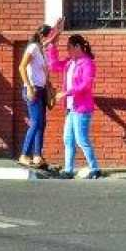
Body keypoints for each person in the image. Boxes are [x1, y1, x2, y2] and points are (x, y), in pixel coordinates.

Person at [48, 33, 100, 179]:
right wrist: (52, 45)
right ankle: (68, 169)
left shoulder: (88, 63)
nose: (68, 51)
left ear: (78, 47)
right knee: (68, 138)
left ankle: (95, 168)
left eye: (69, 47)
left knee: (81, 139)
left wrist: (66, 93)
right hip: (71, 109)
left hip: (82, 108)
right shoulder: (70, 62)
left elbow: (85, 85)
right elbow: (53, 65)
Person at [17, 22, 55, 171]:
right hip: (32, 89)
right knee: (36, 122)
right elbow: (21, 67)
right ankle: (24, 155)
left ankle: (37, 155)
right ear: (41, 35)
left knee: (42, 123)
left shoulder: (41, 49)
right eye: (49, 35)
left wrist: (57, 29)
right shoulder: (33, 47)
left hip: (41, 89)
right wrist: (29, 87)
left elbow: (50, 41)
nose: (50, 39)